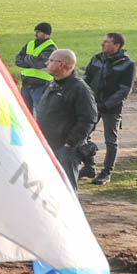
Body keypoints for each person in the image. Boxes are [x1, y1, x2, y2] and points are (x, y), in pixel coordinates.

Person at [33, 48, 97, 188]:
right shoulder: (52, 84)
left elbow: (88, 119)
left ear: (61, 64)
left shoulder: (79, 88)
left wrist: (69, 144)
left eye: (51, 60)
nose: (46, 63)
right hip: (47, 146)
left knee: (66, 188)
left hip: (65, 151)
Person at [80, 32, 134, 184]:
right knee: (83, 135)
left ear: (117, 45)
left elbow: (124, 90)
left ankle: (106, 173)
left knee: (111, 141)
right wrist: (85, 99)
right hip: (93, 105)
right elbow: (86, 79)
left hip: (112, 108)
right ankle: (89, 167)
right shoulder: (96, 59)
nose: (103, 44)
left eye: (107, 42)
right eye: (103, 41)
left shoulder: (128, 64)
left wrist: (105, 105)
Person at [14, 22, 56, 114]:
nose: (36, 34)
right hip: (26, 84)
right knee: (25, 112)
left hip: (41, 85)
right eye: (36, 31)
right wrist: (31, 61)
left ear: (46, 34)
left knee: (40, 112)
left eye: (39, 32)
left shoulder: (50, 47)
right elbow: (17, 60)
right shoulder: (30, 44)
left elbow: (39, 63)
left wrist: (26, 59)